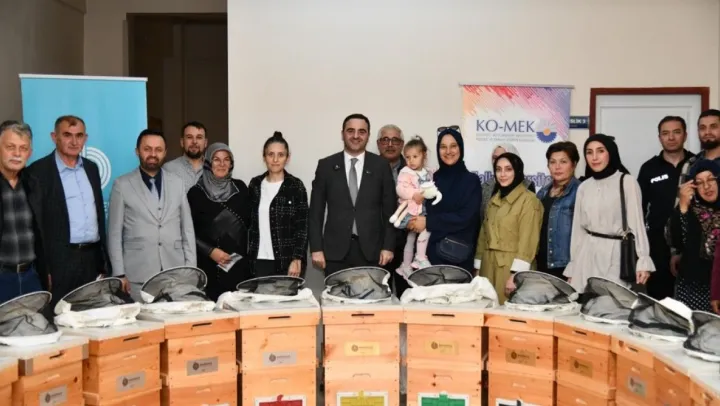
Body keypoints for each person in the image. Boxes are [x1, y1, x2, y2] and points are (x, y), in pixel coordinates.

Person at [26, 115, 111, 308]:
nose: (74, 141)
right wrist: (44, 267)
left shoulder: (91, 168)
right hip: (59, 261)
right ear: (54, 137)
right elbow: (36, 226)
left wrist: (103, 261)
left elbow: (99, 217)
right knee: (59, 315)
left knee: (92, 314)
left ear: (85, 138)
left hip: (91, 258)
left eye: (79, 136)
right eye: (67, 135)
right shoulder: (37, 172)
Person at [107, 130, 196, 301]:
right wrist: (119, 273)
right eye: (147, 149)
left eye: (158, 149)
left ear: (165, 152)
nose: (153, 154)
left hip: (175, 271)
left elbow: (187, 229)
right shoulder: (122, 185)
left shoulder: (177, 183)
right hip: (138, 273)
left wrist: (191, 269)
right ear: (137, 151)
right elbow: (114, 233)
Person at [563, 134, 654, 292]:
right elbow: (578, 230)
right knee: (586, 302)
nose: (594, 157)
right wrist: (573, 266)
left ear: (610, 153)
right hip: (587, 255)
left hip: (616, 255)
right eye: (589, 152)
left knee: (612, 302)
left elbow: (637, 225)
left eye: (600, 151)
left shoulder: (627, 182)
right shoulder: (584, 187)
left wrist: (643, 260)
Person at [308, 114, 396, 275]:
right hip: (334, 253)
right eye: (350, 131)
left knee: (370, 292)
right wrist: (316, 248)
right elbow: (315, 212)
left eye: (361, 131)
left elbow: (390, 211)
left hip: (373, 252)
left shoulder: (381, 166)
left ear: (368, 135)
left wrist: (388, 247)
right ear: (342, 134)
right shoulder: (326, 166)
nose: (356, 136)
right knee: (335, 292)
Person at [407, 126, 481, 272]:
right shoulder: (433, 178)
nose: (448, 151)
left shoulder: (471, 181)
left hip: (456, 259)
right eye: (443, 147)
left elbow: (465, 218)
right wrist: (412, 220)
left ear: (460, 148)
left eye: (453, 146)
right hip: (427, 258)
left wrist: (429, 222)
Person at [638, 116, 694, 300]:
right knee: (660, 301)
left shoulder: (696, 165)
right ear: (659, 137)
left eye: (676, 132)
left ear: (685, 135)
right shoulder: (649, 168)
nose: (671, 137)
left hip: (692, 245)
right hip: (658, 247)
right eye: (665, 133)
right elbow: (639, 210)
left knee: (690, 303)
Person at [475, 153, 543, 302]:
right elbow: (483, 235)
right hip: (488, 266)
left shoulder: (529, 201)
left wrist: (516, 275)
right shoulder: (494, 199)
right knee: (487, 310)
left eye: (508, 169)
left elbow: (528, 241)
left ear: (517, 171)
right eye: (498, 169)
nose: (502, 174)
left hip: (510, 269)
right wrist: (478, 267)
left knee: (508, 311)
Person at [188, 142, 250, 301]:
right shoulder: (195, 193)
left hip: (240, 268)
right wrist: (210, 251)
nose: (222, 164)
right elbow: (187, 232)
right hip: (209, 267)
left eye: (226, 159)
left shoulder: (241, 188)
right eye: (216, 159)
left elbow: (251, 226)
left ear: (231, 163)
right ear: (208, 162)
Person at [248, 132, 309, 278]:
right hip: (259, 261)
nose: (275, 160)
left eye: (280, 155)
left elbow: (303, 226)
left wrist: (297, 258)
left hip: (287, 262)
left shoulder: (296, 186)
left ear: (287, 158)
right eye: (271, 154)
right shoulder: (255, 185)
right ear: (264, 157)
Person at [0, 121, 43, 302]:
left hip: (30, 276)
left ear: (29, 153)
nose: (17, 154)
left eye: (23, 148)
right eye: (10, 147)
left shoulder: (33, 183)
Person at [669, 160, 720, 312]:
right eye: (699, 183)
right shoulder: (689, 209)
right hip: (694, 287)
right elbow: (678, 241)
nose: (706, 186)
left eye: (711, 179)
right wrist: (683, 207)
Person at [535, 142, 581, 280]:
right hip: (541, 263)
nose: (557, 167)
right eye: (552, 162)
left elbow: (583, 236)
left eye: (563, 162)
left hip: (565, 267)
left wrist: (575, 270)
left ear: (574, 164)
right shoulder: (543, 192)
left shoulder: (580, 191)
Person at [375, 124, 410, 296]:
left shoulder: (413, 169)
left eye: (395, 140)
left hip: (407, 244)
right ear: (378, 144)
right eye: (385, 140)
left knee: (407, 295)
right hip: (377, 244)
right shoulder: (368, 168)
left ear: (402, 144)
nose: (390, 144)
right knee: (380, 295)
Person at [391, 136, 432, 274]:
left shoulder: (428, 173)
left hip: (421, 210)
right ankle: (420, 257)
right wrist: (414, 194)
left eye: (415, 156)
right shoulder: (405, 172)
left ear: (424, 155)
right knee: (426, 229)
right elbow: (400, 189)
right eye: (407, 157)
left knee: (411, 238)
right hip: (409, 211)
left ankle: (406, 265)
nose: (411, 160)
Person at [480, 143, 535, 221]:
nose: (498, 161)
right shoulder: (486, 186)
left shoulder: (527, 185)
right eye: (495, 158)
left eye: (503, 157)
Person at [164, 121, 208, 192]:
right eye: (189, 137)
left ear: (205, 143)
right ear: (182, 142)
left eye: (199, 137)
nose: (194, 141)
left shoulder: (214, 169)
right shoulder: (168, 169)